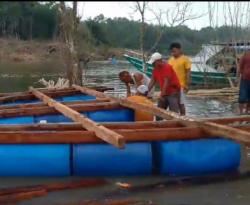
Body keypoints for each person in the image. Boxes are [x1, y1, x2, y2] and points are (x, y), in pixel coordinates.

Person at [147, 52, 181, 120]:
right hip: (164, 92)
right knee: (159, 113)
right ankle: (159, 126)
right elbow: (152, 81)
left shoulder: (167, 67)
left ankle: (175, 125)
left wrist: (161, 95)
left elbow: (166, 82)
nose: (152, 64)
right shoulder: (155, 69)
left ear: (159, 61)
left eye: (154, 63)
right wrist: (146, 91)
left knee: (174, 113)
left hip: (173, 92)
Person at [168, 42, 191, 115]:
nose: (173, 53)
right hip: (172, 86)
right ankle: (175, 119)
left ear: (179, 50)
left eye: (174, 51)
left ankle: (183, 118)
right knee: (173, 104)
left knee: (181, 104)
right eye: (172, 52)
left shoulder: (185, 59)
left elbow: (188, 73)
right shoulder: (170, 60)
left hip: (181, 85)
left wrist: (187, 85)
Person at [238, 50, 250, 114]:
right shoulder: (245, 55)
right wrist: (237, 77)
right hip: (245, 79)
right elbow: (240, 66)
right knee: (242, 97)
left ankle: (247, 111)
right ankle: (241, 112)